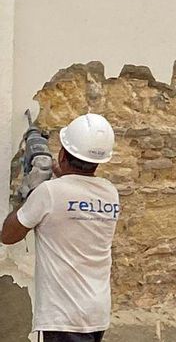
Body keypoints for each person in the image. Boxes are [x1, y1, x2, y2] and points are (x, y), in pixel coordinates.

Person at [2, 114, 120, 342]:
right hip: (96, 312)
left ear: (63, 153)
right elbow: (73, 191)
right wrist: (55, 172)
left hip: (64, 317)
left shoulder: (48, 193)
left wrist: (29, 192)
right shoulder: (110, 193)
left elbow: (8, 235)